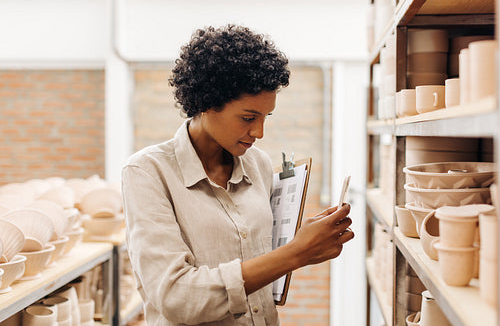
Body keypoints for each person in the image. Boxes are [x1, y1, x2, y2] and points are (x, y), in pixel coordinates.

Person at [121, 24, 354, 326]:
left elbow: (264, 268)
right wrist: (296, 253)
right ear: (206, 102)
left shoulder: (257, 164)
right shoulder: (148, 173)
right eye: (248, 118)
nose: (258, 132)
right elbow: (176, 297)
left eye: (264, 117)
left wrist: (304, 245)